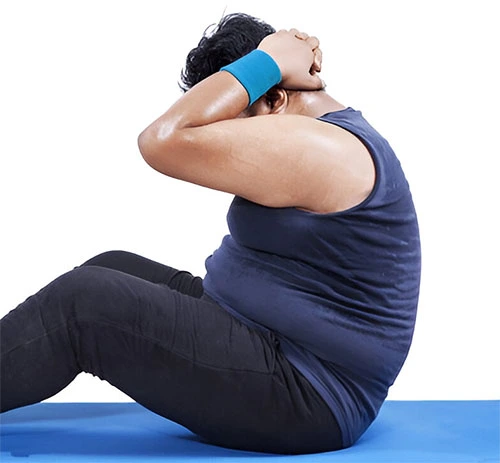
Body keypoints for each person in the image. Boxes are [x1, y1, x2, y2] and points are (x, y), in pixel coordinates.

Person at [0, 12, 421, 455]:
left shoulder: (325, 149)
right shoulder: (315, 132)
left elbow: (161, 140)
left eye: (234, 122)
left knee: (83, 303)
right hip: (259, 332)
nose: (227, 138)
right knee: (110, 265)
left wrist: (269, 62)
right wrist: (264, 67)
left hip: (308, 395)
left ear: (274, 98)